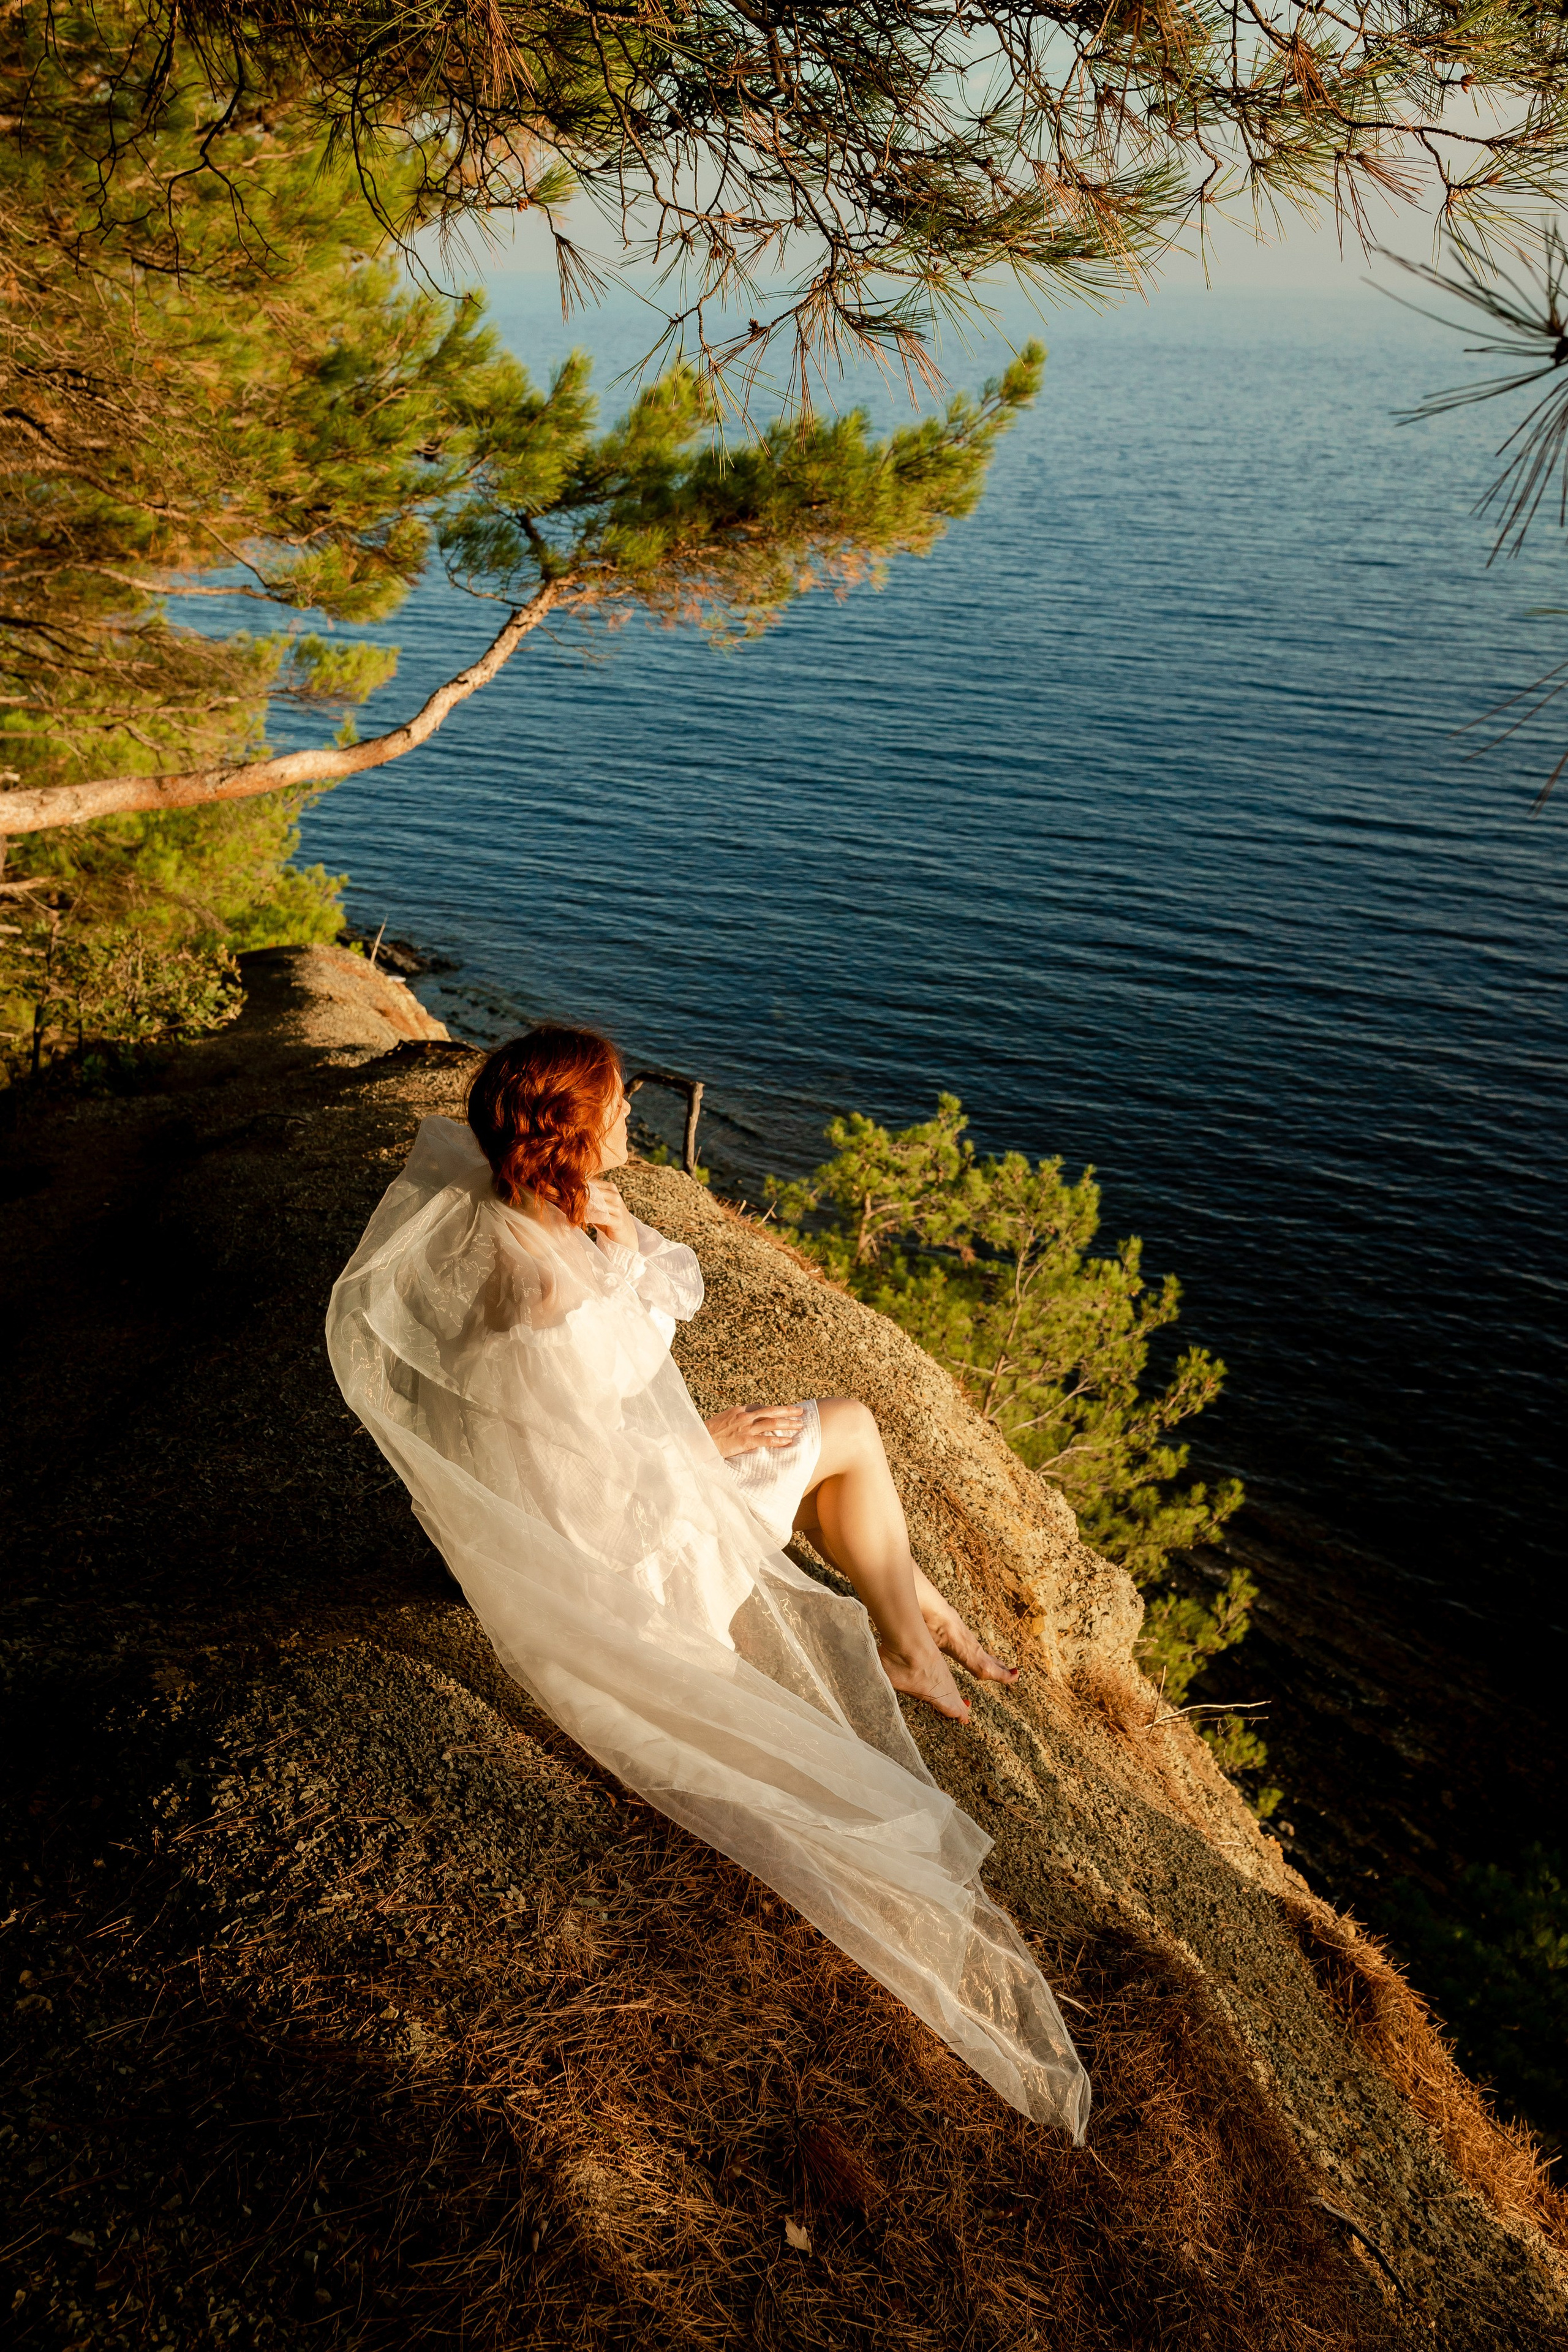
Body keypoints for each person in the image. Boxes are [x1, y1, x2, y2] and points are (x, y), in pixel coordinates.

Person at [327, 1023, 1089, 2136]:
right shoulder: (548, 1298)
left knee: (833, 1449)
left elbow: (620, 1346)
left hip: (615, 1507)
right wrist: (705, 1445)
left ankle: (915, 1611)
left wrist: (623, 1248)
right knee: (850, 1427)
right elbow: (585, 1468)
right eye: (620, 1105)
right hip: (627, 1554)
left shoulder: (521, 1214)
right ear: (576, 1131)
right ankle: (915, 1641)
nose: (635, 1114)